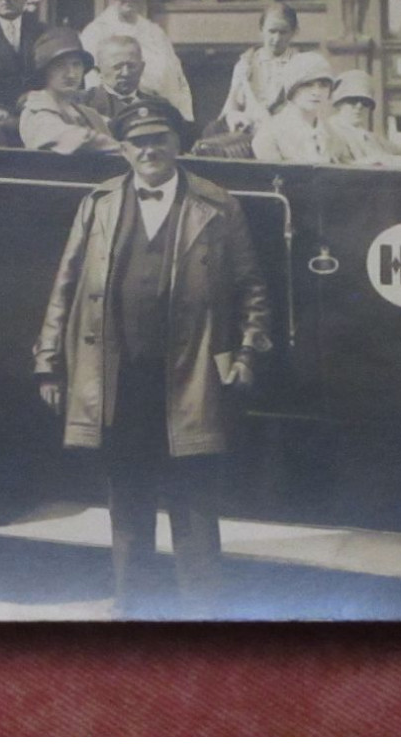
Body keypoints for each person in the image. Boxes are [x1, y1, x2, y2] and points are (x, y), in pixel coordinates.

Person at [32, 100, 273, 617]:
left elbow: (251, 288)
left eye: (159, 138)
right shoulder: (98, 204)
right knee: (128, 504)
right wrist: (48, 360)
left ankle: (203, 616)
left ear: (176, 144)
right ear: (123, 149)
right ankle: (133, 611)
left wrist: (248, 355)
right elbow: (66, 285)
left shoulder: (216, 205)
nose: (149, 150)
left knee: (194, 504)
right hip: (120, 381)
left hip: (192, 380)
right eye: (138, 141)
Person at [81, 0, 195, 121]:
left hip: (162, 116)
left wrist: (184, 121)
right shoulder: (95, 33)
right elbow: (93, 91)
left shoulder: (155, 33)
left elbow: (178, 81)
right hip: (119, 119)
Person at [18, 28, 120, 155]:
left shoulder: (87, 113)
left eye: (76, 64)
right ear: (45, 71)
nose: (71, 74)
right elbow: (72, 139)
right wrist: (125, 150)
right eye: (60, 65)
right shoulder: (36, 111)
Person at [250, 52, 353, 165]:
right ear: (292, 90)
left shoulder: (332, 134)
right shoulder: (270, 134)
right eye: (307, 85)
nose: (316, 92)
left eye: (323, 85)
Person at [216, 3, 300, 133]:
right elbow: (230, 106)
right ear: (261, 30)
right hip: (248, 129)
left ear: (294, 33)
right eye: (272, 31)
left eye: (283, 32)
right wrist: (234, 117)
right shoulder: (246, 63)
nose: (276, 39)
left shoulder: (301, 64)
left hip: (286, 132)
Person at [328, 70, 401, 168]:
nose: (359, 107)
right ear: (339, 103)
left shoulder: (370, 137)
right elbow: (341, 167)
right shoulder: (331, 132)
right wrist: (382, 160)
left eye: (365, 102)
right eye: (353, 100)